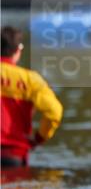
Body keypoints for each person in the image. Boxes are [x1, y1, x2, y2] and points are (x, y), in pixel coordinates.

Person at [1, 27, 63, 168]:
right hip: (13, 155)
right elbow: (55, 112)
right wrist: (38, 138)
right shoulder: (30, 80)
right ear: (18, 51)